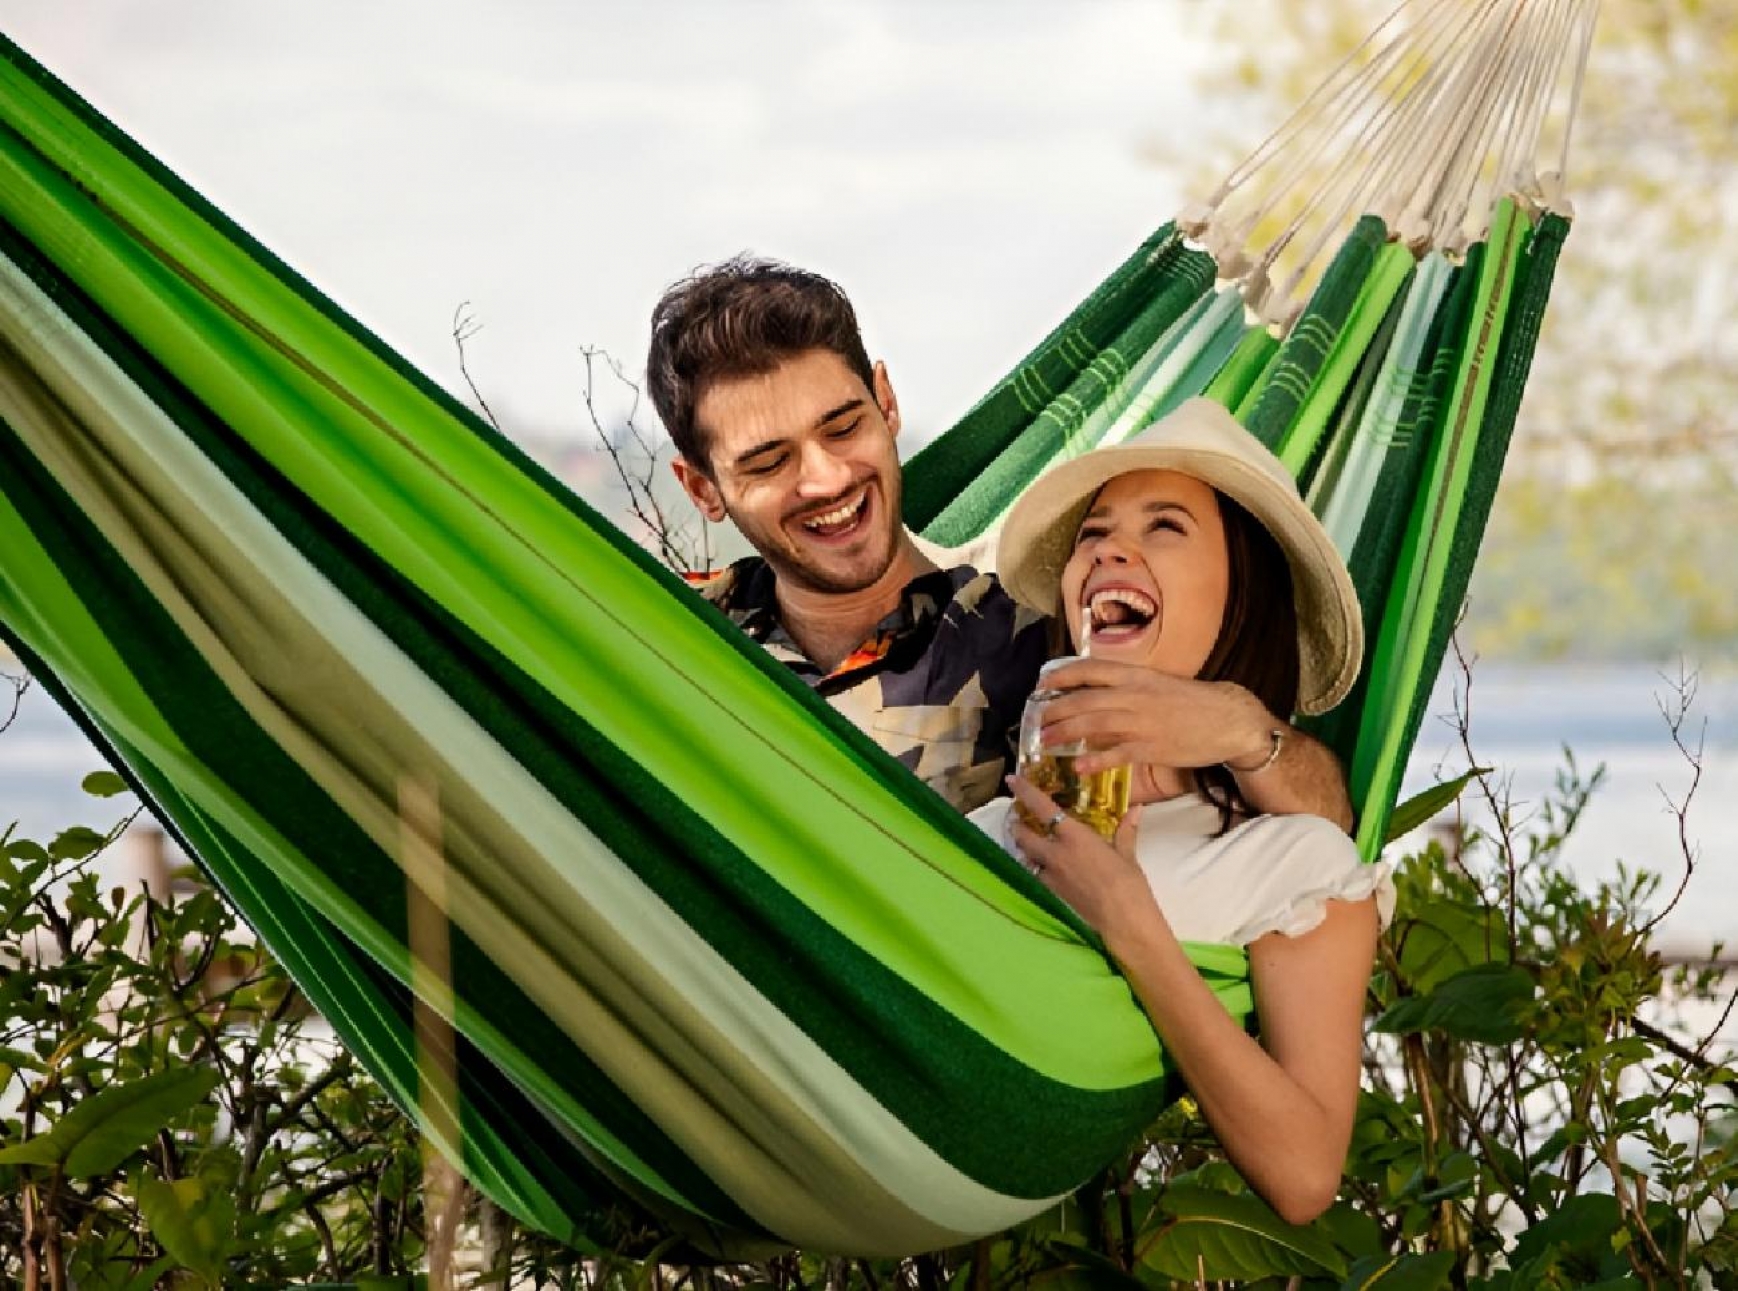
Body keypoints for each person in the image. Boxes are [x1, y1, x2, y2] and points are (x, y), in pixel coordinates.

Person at [645, 255, 1354, 827]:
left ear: (886, 402)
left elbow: (1322, 832)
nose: (827, 479)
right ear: (702, 489)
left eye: (844, 427)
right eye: (771, 462)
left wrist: (1245, 731)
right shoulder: (667, 635)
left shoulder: (1041, 638)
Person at [970, 396, 1393, 1225]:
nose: (1108, 548)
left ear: (1242, 596)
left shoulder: (1291, 861)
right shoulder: (996, 818)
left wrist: (1129, 920)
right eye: (1093, 533)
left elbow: (1306, 1174)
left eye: (1165, 526)